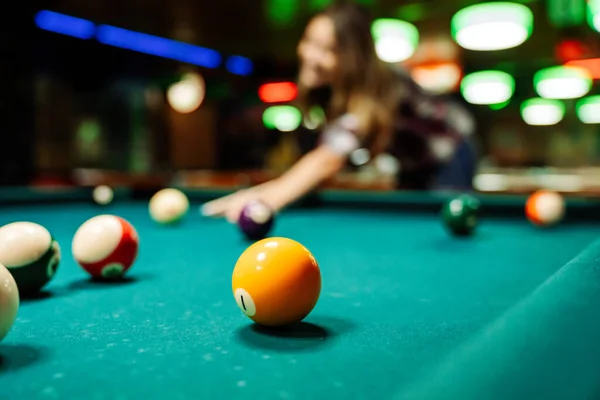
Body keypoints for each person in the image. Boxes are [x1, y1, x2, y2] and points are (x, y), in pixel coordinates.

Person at [202, 1, 477, 222]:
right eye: (309, 41)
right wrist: (261, 193)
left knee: (446, 221)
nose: (311, 55)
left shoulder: (378, 84)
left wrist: (263, 201)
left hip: (450, 153)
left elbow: (327, 159)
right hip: (413, 162)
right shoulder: (336, 91)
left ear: (353, 57)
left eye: (328, 49)